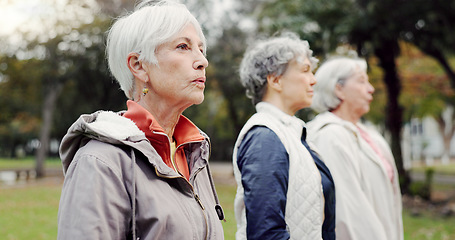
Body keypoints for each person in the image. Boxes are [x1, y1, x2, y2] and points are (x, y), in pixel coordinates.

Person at [57, 1, 225, 239]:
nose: (202, 61)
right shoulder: (99, 162)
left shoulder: (194, 153)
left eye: (201, 49)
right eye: (182, 47)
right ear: (138, 66)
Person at [232, 32, 336, 240]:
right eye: (305, 70)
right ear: (276, 80)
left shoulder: (293, 133)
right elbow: (265, 232)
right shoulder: (265, 137)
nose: (313, 80)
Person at [307, 56, 403, 240]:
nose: (371, 89)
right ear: (339, 89)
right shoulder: (330, 136)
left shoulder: (370, 135)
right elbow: (348, 211)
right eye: (361, 81)